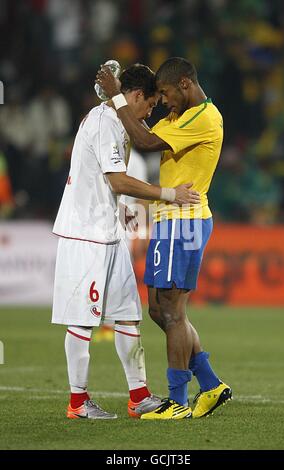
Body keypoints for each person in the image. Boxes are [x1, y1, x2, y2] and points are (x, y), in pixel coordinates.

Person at [52, 63, 199, 420]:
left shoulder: (119, 117)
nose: (151, 113)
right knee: (82, 321)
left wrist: (115, 91)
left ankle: (139, 396)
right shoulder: (104, 123)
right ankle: (78, 402)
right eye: (149, 105)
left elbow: (145, 139)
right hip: (84, 231)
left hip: (110, 231)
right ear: (135, 96)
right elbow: (118, 182)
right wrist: (169, 194)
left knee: (128, 316)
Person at [96, 57, 232, 420]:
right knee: (160, 309)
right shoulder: (181, 116)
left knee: (173, 312)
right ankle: (211, 383)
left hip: (184, 221)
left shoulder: (204, 117)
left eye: (168, 94)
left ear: (185, 84)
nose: (165, 102)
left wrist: (117, 98)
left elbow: (144, 141)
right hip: (169, 220)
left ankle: (177, 402)